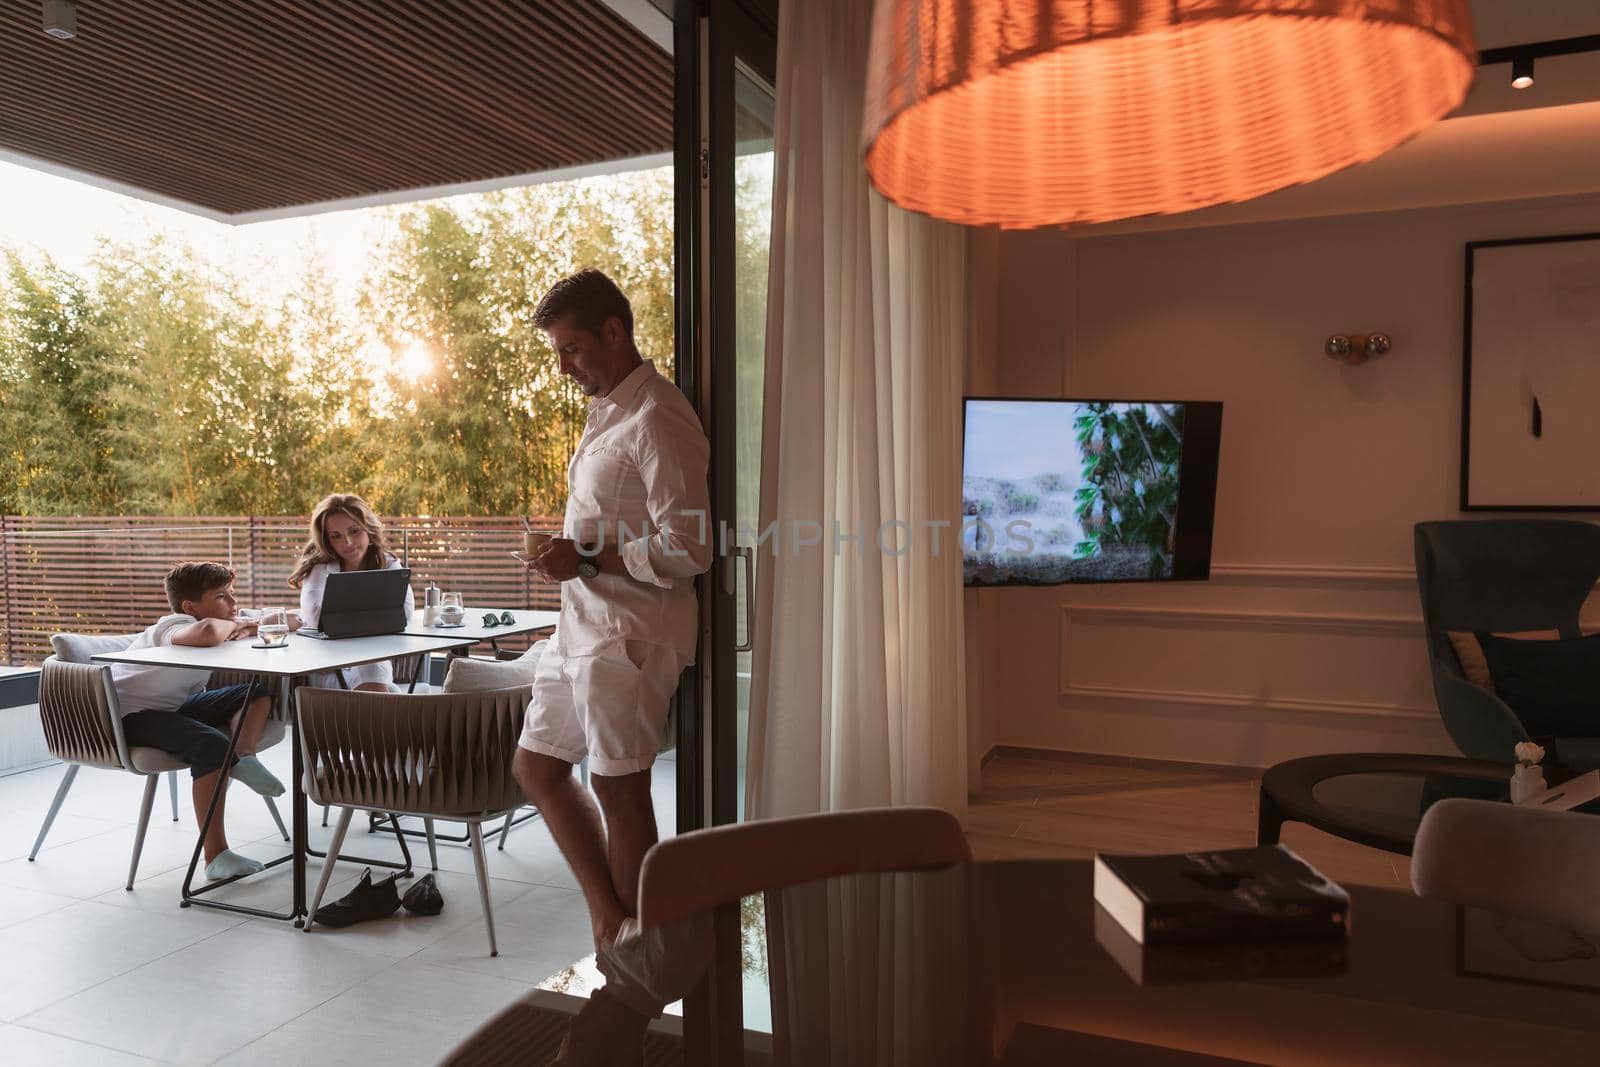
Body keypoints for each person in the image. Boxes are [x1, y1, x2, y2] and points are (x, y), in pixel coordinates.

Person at [513, 268, 711, 952]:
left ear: (614, 331)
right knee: (536, 768)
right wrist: (574, 557)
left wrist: (590, 559)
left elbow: (691, 546)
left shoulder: (659, 414)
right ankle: (610, 919)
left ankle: (642, 946)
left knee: (620, 789)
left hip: (631, 633)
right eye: (557, 353)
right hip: (580, 627)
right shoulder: (612, 413)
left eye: (570, 349)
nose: (563, 366)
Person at [111, 561, 286, 882]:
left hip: (171, 707)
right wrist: (239, 625)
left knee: (255, 694)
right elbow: (207, 633)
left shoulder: (213, 625)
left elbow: (275, 620)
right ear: (191, 606)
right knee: (212, 744)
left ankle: (244, 758)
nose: (233, 604)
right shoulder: (172, 624)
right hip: (127, 716)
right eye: (222, 596)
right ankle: (215, 856)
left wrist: (244, 623)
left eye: (232, 594)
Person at [288, 493, 415, 691]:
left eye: (354, 531)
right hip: (329, 664)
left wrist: (342, 617)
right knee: (381, 683)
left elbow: (403, 612)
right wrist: (375, 616)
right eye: (335, 536)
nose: (347, 542)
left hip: (372, 656)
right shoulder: (320, 567)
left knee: (372, 666)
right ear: (327, 540)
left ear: (368, 529)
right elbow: (316, 618)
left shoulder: (388, 563)